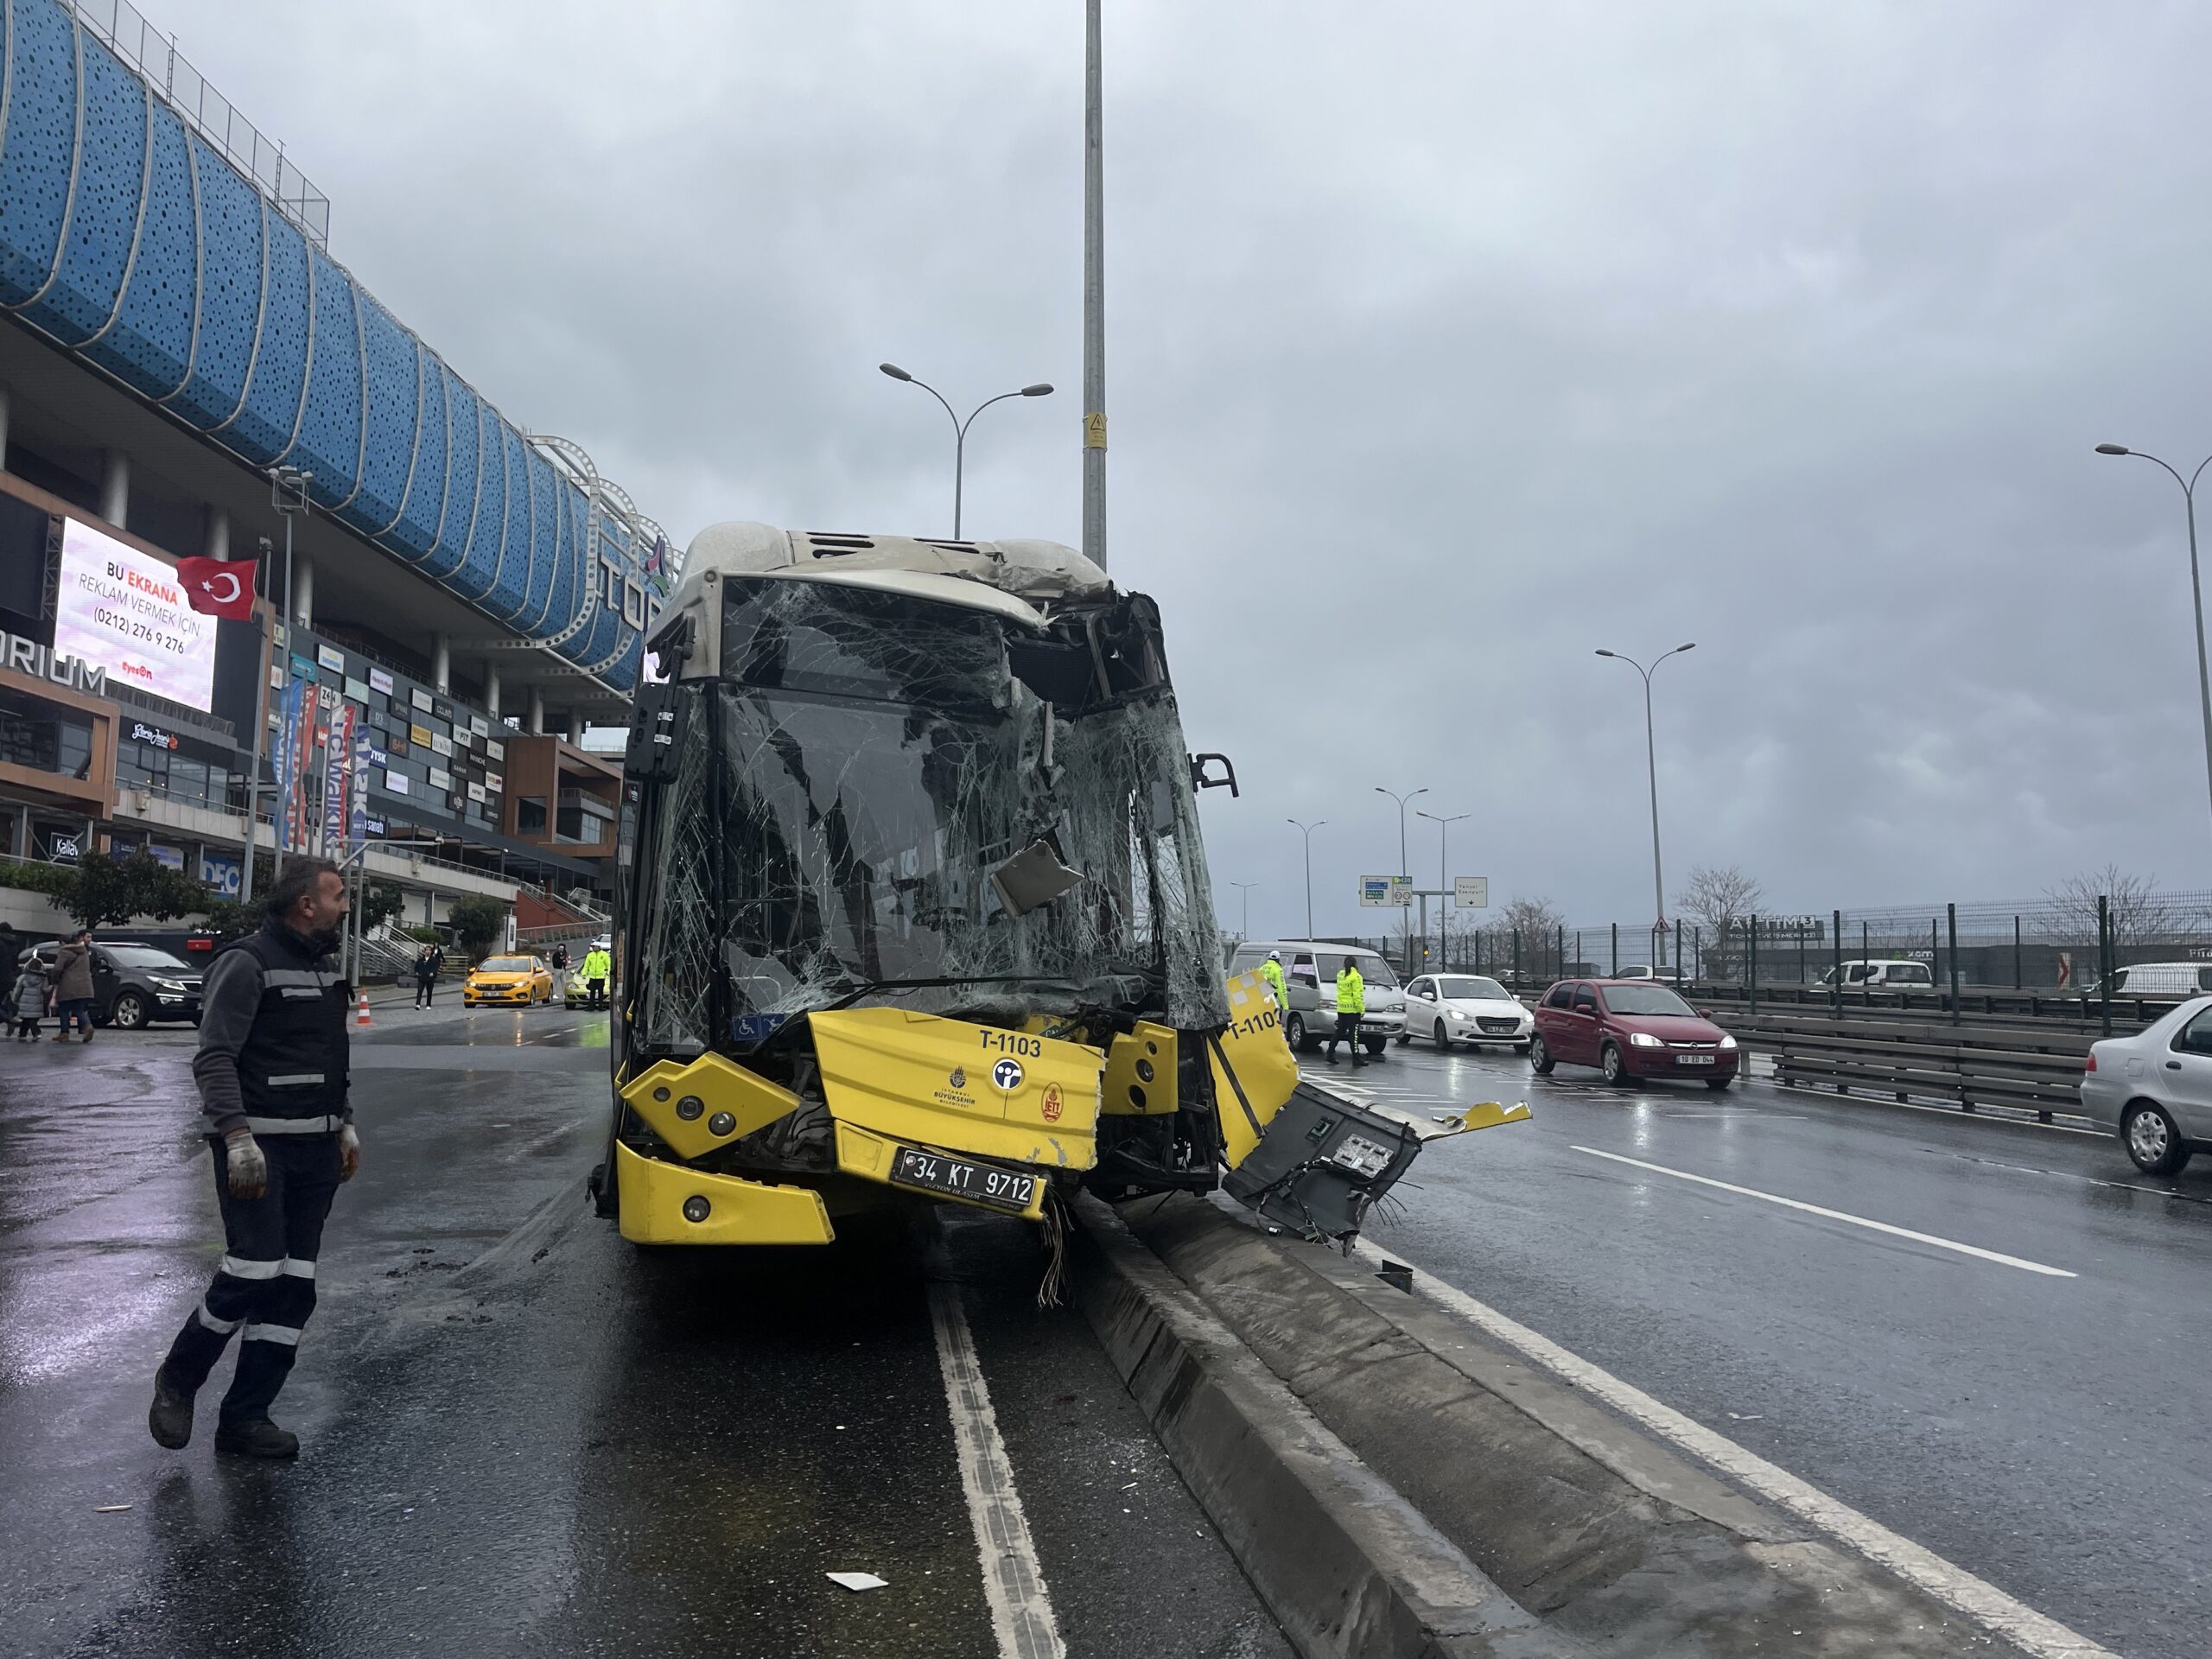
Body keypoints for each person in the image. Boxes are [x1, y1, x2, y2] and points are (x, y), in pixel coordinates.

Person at [149, 858, 359, 1460]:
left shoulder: (321, 970)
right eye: (338, 896)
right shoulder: (247, 963)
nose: (345, 906)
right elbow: (214, 1056)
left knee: (294, 1288)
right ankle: (179, 1379)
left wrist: (345, 1123)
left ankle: (245, 1419)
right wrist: (236, 1138)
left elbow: (328, 1055)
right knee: (254, 1270)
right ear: (306, 904)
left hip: (317, 1150)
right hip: (260, 1152)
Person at [50, 929, 95, 1043]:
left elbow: (57, 969)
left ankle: (64, 1033)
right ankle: (88, 1026)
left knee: (64, 1009)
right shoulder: (84, 951)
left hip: (68, 985)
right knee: (80, 1009)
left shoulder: (65, 952)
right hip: (85, 985)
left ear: (64, 943)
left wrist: (54, 980)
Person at [1326, 955, 1366, 1067]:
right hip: (1353, 1010)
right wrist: (1361, 1009)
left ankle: (1330, 1052)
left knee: (1340, 1032)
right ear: (1355, 964)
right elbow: (1357, 995)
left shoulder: (1340, 975)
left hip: (1342, 1008)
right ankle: (1356, 1058)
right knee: (1354, 1035)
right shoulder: (1356, 977)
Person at [13, 948, 49, 1041]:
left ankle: (27, 1034)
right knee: (32, 1019)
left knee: (26, 1019)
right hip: (37, 1003)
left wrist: (15, 999)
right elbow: (45, 990)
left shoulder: (24, 977)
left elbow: (18, 989)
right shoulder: (43, 978)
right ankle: (30, 1034)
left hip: (25, 1003)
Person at [1257, 950, 1288, 1038]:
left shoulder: (1262, 968)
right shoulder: (1278, 970)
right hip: (1274, 1002)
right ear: (1278, 959)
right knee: (1274, 1025)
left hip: (1262, 1001)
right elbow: (1281, 988)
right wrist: (1285, 1005)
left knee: (1263, 1026)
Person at [581, 942, 610, 1010]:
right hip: (592, 977)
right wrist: (584, 973)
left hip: (601, 977)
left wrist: (608, 972)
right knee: (592, 992)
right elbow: (586, 965)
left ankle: (601, 1006)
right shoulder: (590, 955)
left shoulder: (604, 955)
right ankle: (591, 1006)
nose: (593, 948)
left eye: (594, 947)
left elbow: (608, 964)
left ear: (598, 947)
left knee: (600, 992)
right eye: (593, 947)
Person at [411, 944, 439, 1009]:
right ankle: (418, 1004)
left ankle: (428, 1005)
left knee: (429, 992)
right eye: (427, 950)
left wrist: (433, 972)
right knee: (420, 991)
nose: (428, 951)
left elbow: (436, 968)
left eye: (429, 950)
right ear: (424, 951)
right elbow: (416, 967)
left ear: (431, 952)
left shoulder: (434, 960)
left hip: (430, 978)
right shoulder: (420, 960)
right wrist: (417, 972)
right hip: (422, 977)